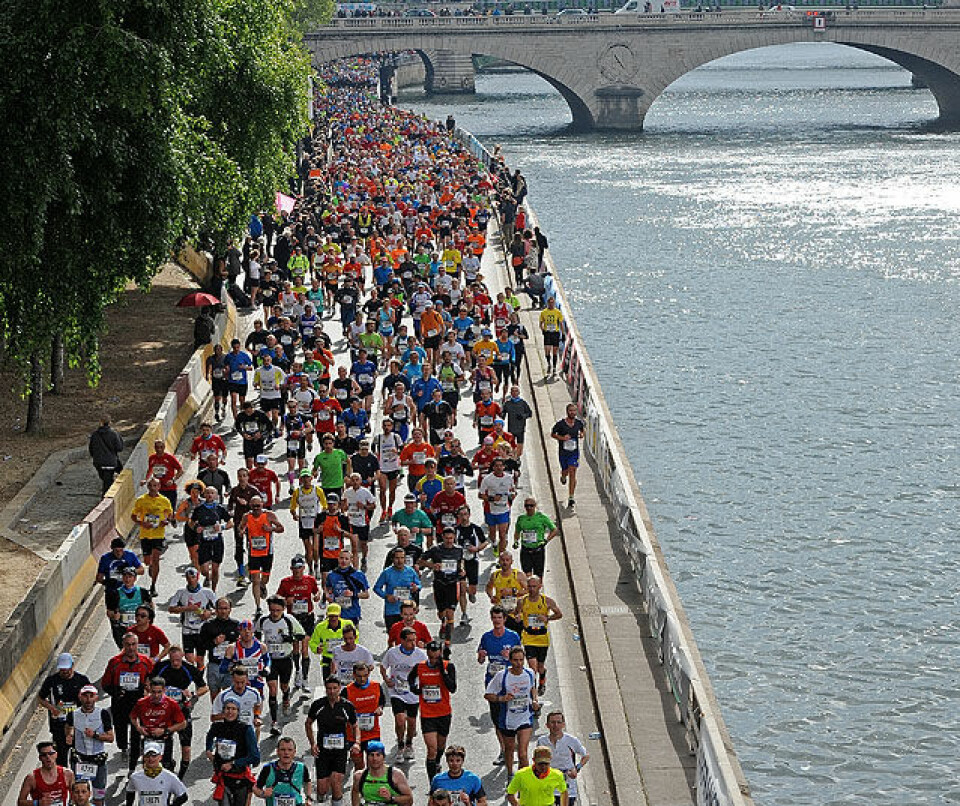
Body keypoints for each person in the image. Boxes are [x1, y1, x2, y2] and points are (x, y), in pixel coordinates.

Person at [485, 646, 540, 778]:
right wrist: (501, 698)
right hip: (508, 719)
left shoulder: (529, 673)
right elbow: (488, 694)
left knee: (522, 753)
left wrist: (535, 700)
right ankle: (510, 775)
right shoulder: (502, 676)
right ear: (510, 661)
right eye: (515, 660)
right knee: (509, 750)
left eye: (521, 660)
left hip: (525, 717)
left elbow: (532, 688)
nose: (519, 663)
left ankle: (524, 780)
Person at [153, 646, 206, 779]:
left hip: (182, 709)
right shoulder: (162, 667)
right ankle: (167, 767)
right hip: (164, 710)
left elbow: (204, 688)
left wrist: (192, 694)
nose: (175, 663)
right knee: (165, 740)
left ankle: (181, 775)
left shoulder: (188, 669)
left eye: (178, 660)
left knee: (186, 747)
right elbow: (149, 682)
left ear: (182, 657)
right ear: (169, 658)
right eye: (173, 660)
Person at [407, 640, 457, 781]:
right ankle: (432, 782)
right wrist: (414, 688)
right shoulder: (420, 667)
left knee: (441, 746)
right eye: (431, 654)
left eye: (436, 654)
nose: (434, 658)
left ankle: (437, 762)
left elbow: (452, 688)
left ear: (440, 653)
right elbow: (410, 678)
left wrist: (442, 671)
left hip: (444, 713)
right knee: (432, 749)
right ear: (427, 653)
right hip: (428, 714)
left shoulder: (448, 666)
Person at [101, 632, 152, 768]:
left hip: (138, 703)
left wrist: (147, 690)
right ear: (123, 645)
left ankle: (133, 763)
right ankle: (123, 747)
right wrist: (115, 691)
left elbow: (152, 679)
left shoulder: (145, 661)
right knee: (121, 730)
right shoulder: (115, 662)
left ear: (137, 645)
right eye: (128, 645)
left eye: (133, 644)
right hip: (120, 703)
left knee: (136, 732)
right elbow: (105, 684)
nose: (131, 648)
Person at [305, 676, 358, 806]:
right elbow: (308, 723)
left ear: (340, 688)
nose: (332, 691)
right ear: (325, 689)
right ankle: (320, 798)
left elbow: (355, 726)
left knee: (336, 781)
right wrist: (312, 744)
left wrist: (356, 742)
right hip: (323, 751)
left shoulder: (347, 706)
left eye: (335, 688)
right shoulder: (318, 705)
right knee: (322, 788)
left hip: (340, 751)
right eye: (329, 689)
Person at [256, 597, 306, 735]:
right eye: (272, 610)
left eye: (278, 610)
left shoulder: (289, 620)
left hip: (285, 659)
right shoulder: (263, 620)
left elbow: (301, 635)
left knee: (283, 686)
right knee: (272, 689)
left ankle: (286, 696)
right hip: (269, 660)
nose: (274, 613)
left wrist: (289, 638)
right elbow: (256, 635)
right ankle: (274, 722)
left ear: (283, 609)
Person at [276, 554, 322, 690]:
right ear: (291, 569)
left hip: (307, 617)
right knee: (296, 648)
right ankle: (298, 671)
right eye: (294, 568)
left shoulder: (310, 580)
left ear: (303, 568)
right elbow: (277, 599)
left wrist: (317, 596)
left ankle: (306, 678)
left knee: (305, 648)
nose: (297, 571)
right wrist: (285, 601)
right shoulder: (285, 582)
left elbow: (316, 591)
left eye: (300, 568)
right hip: (293, 618)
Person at [38, 652, 91, 766]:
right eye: (62, 670)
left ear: (72, 666)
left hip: (78, 724)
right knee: (60, 756)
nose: (65, 672)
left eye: (67, 669)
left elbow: (91, 698)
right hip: (58, 724)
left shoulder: (81, 680)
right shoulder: (52, 681)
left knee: (79, 755)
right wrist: (52, 708)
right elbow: (41, 698)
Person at [65, 685, 113, 806]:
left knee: (99, 796)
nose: (88, 699)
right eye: (85, 696)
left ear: (96, 698)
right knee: (79, 796)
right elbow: (69, 729)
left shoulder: (103, 714)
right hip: (80, 759)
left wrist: (95, 735)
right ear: (80, 697)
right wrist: (70, 736)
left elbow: (111, 738)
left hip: (98, 759)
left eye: (91, 696)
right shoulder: (72, 715)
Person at [205, 700, 260, 806]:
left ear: (238, 712)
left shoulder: (246, 729)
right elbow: (209, 737)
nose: (230, 712)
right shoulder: (217, 727)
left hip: (240, 778)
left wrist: (233, 763)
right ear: (223, 711)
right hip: (223, 777)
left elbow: (255, 757)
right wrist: (209, 750)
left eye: (233, 709)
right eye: (227, 708)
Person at [129, 676, 188, 774]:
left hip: (164, 738)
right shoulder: (141, 702)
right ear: (149, 690)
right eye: (153, 692)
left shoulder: (171, 704)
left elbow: (183, 724)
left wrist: (165, 730)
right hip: (148, 738)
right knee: (148, 767)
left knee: (165, 768)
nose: (156, 695)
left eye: (159, 692)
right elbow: (133, 717)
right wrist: (138, 727)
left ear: (164, 690)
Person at [240, 495, 285, 615]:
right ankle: (258, 607)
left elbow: (281, 528)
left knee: (264, 578)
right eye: (253, 506)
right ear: (250, 506)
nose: (256, 509)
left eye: (258, 506)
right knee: (255, 580)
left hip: (267, 553)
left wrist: (270, 529)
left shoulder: (269, 515)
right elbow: (240, 528)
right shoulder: (246, 517)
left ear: (262, 505)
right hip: (253, 553)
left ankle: (263, 585)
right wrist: (242, 531)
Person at [423, 528, 465, 655]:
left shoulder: (459, 549)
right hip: (439, 583)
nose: (449, 541)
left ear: (454, 538)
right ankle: (443, 622)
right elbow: (421, 560)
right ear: (442, 538)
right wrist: (432, 566)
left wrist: (462, 570)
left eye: (451, 538)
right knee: (442, 613)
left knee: (450, 613)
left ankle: (448, 643)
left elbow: (461, 562)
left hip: (453, 583)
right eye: (446, 538)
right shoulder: (436, 549)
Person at [518, 576, 562, 696]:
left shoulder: (546, 601)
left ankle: (542, 680)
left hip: (542, 639)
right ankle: (533, 694)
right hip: (528, 637)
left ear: (540, 587)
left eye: (534, 586)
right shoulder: (522, 601)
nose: (531, 589)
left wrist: (547, 618)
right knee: (533, 668)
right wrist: (518, 617)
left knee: (540, 667)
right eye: (529, 586)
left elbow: (559, 614)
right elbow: (518, 614)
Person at [131, 476, 174, 596]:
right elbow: (133, 516)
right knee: (147, 561)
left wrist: (166, 521)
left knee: (156, 560)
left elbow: (169, 515)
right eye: (150, 486)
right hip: (145, 534)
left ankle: (153, 585)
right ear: (147, 487)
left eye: (155, 486)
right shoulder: (141, 500)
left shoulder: (164, 500)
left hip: (158, 534)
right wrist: (142, 523)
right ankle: (150, 566)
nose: (153, 488)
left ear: (159, 487)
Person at [536, 712, 590, 806]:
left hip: (567, 785)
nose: (556, 725)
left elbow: (585, 756)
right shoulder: (542, 741)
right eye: (552, 722)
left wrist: (576, 768)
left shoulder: (571, 740)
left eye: (558, 722)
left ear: (563, 725)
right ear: (547, 725)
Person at [189, 485, 234, 591]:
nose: (210, 495)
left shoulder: (220, 508)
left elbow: (230, 523)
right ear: (204, 495)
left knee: (215, 567)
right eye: (208, 493)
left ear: (216, 496)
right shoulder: (199, 509)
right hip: (204, 541)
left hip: (217, 541)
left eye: (212, 493)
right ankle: (207, 577)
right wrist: (196, 528)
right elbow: (191, 522)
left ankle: (213, 590)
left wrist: (222, 527)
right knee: (204, 569)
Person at [199, 598, 241, 702]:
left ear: (230, 609)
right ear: (216, 610)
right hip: (214, 664)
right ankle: (217, 717)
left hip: (230, 665)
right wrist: (214, 642)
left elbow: (242, 645)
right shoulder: (208, 625)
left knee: (230, 696)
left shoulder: (236, 625)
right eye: (220, 608)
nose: (223, 611)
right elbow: (201, 645)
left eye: (226, 608)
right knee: (215, 697)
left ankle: (229, 717)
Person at [349, 739, 413, 805]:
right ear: (367, 757)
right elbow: (355, 793)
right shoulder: (359, 776)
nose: (375, 759)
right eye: (371, 755)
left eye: (378, 755)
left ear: (383, 757)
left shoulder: (396, 775)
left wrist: (391, 798)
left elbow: (409, 800)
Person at [254, 737, 313, 806]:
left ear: (294, 752)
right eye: (283, 750)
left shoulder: (302, 768)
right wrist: (263, 794)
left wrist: (308, 798)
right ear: (277, 752)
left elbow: (307, 782)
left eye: (290, 750)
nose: (286, 753)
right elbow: (256, 788)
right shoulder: (268, 768)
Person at [373, 548, 421, 631]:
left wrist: (416, 588)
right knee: (393, 637)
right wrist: (386, 596)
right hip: (391, 611)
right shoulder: (387, 572)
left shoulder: (410, 571)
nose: (400, 561)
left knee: (408, 637)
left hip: (407, 611)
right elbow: (376, 588)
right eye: (397, 558)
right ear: (393, 559)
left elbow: (419, 585)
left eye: (402, 558)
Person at [106, 567, 154, 647]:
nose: (127, 579)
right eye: (125, 577)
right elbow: (109, 612)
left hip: (139, 627)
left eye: (130, 577)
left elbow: (151, 606)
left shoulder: (143, 592)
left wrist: (149, 620)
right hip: (123, 628)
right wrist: (114, 616)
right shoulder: (115, 593)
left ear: (134, 578)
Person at [16, 741, 74, 806]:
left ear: (56, 754)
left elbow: (75, 796)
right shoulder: (32, 778)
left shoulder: (67, 774)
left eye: (51, 753)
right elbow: (20, 802)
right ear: (40, 758)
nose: (48, 757)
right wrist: (38, 803)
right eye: (44, 755)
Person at [513, 498, 559, 580]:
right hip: (525, 550)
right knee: (527, 575)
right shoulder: (521, 518)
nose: (529, 508)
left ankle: (538, 591)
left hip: (538, 549)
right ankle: (530, 591)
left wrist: (546, 540)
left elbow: (554, 530)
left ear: (535, 506)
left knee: (538, 576)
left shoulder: (541, 517)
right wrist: (516, 541)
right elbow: (517, 532)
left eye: (531, 505)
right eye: (527, 506)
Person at [550, 403, 584, 508]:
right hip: (563, 453)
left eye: (574, 411)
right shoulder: (560, 424)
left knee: (573, 471)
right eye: (570, 411)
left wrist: (582, 434)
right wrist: (562, 438)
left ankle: (571, 497)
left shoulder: (578, 423)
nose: (572, 412)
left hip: (574, 453)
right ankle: (563, 476)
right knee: (566, 471)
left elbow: (582, 430)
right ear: (567, 411)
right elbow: (552, 434)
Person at [88, 417, 124, 495]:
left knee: (105, 480)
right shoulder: (114, 433)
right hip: (110, 462)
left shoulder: (95, 435)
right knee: (108, 482)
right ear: (110, 422)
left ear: (100, 422)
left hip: (99, 463)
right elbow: (119, 448)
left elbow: (91, 449)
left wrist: (96, 457)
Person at [538, 297, 564, 376]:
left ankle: (554, 368)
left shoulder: (557, 312)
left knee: (555, 351)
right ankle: (549, 363)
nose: (551, 304)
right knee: (547, 351)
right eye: (550, 303)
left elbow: (561, 323)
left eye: (553, 303)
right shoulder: (544, 312)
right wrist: (543, 330)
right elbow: (541, 323)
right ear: (548, 303)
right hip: (547, 333)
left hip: (555, 333)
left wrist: (563, 333)